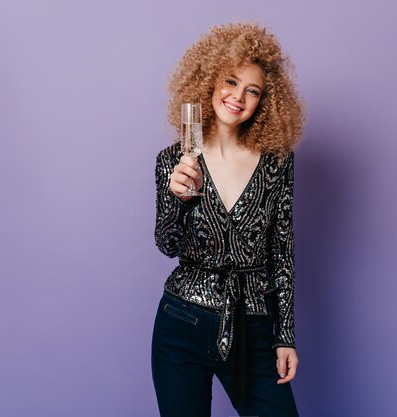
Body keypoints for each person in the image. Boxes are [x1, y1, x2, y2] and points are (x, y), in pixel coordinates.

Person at [151, 22, 304, 417]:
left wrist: (284, 335)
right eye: (231, 82)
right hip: (182, 321)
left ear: (265, 101)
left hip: (252, 327)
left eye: (252, 90)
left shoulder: (276, 163)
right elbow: (168, 244)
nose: (238, 96)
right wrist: (179, 199)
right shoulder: (176, 160)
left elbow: (281, 250)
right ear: (208, 80)